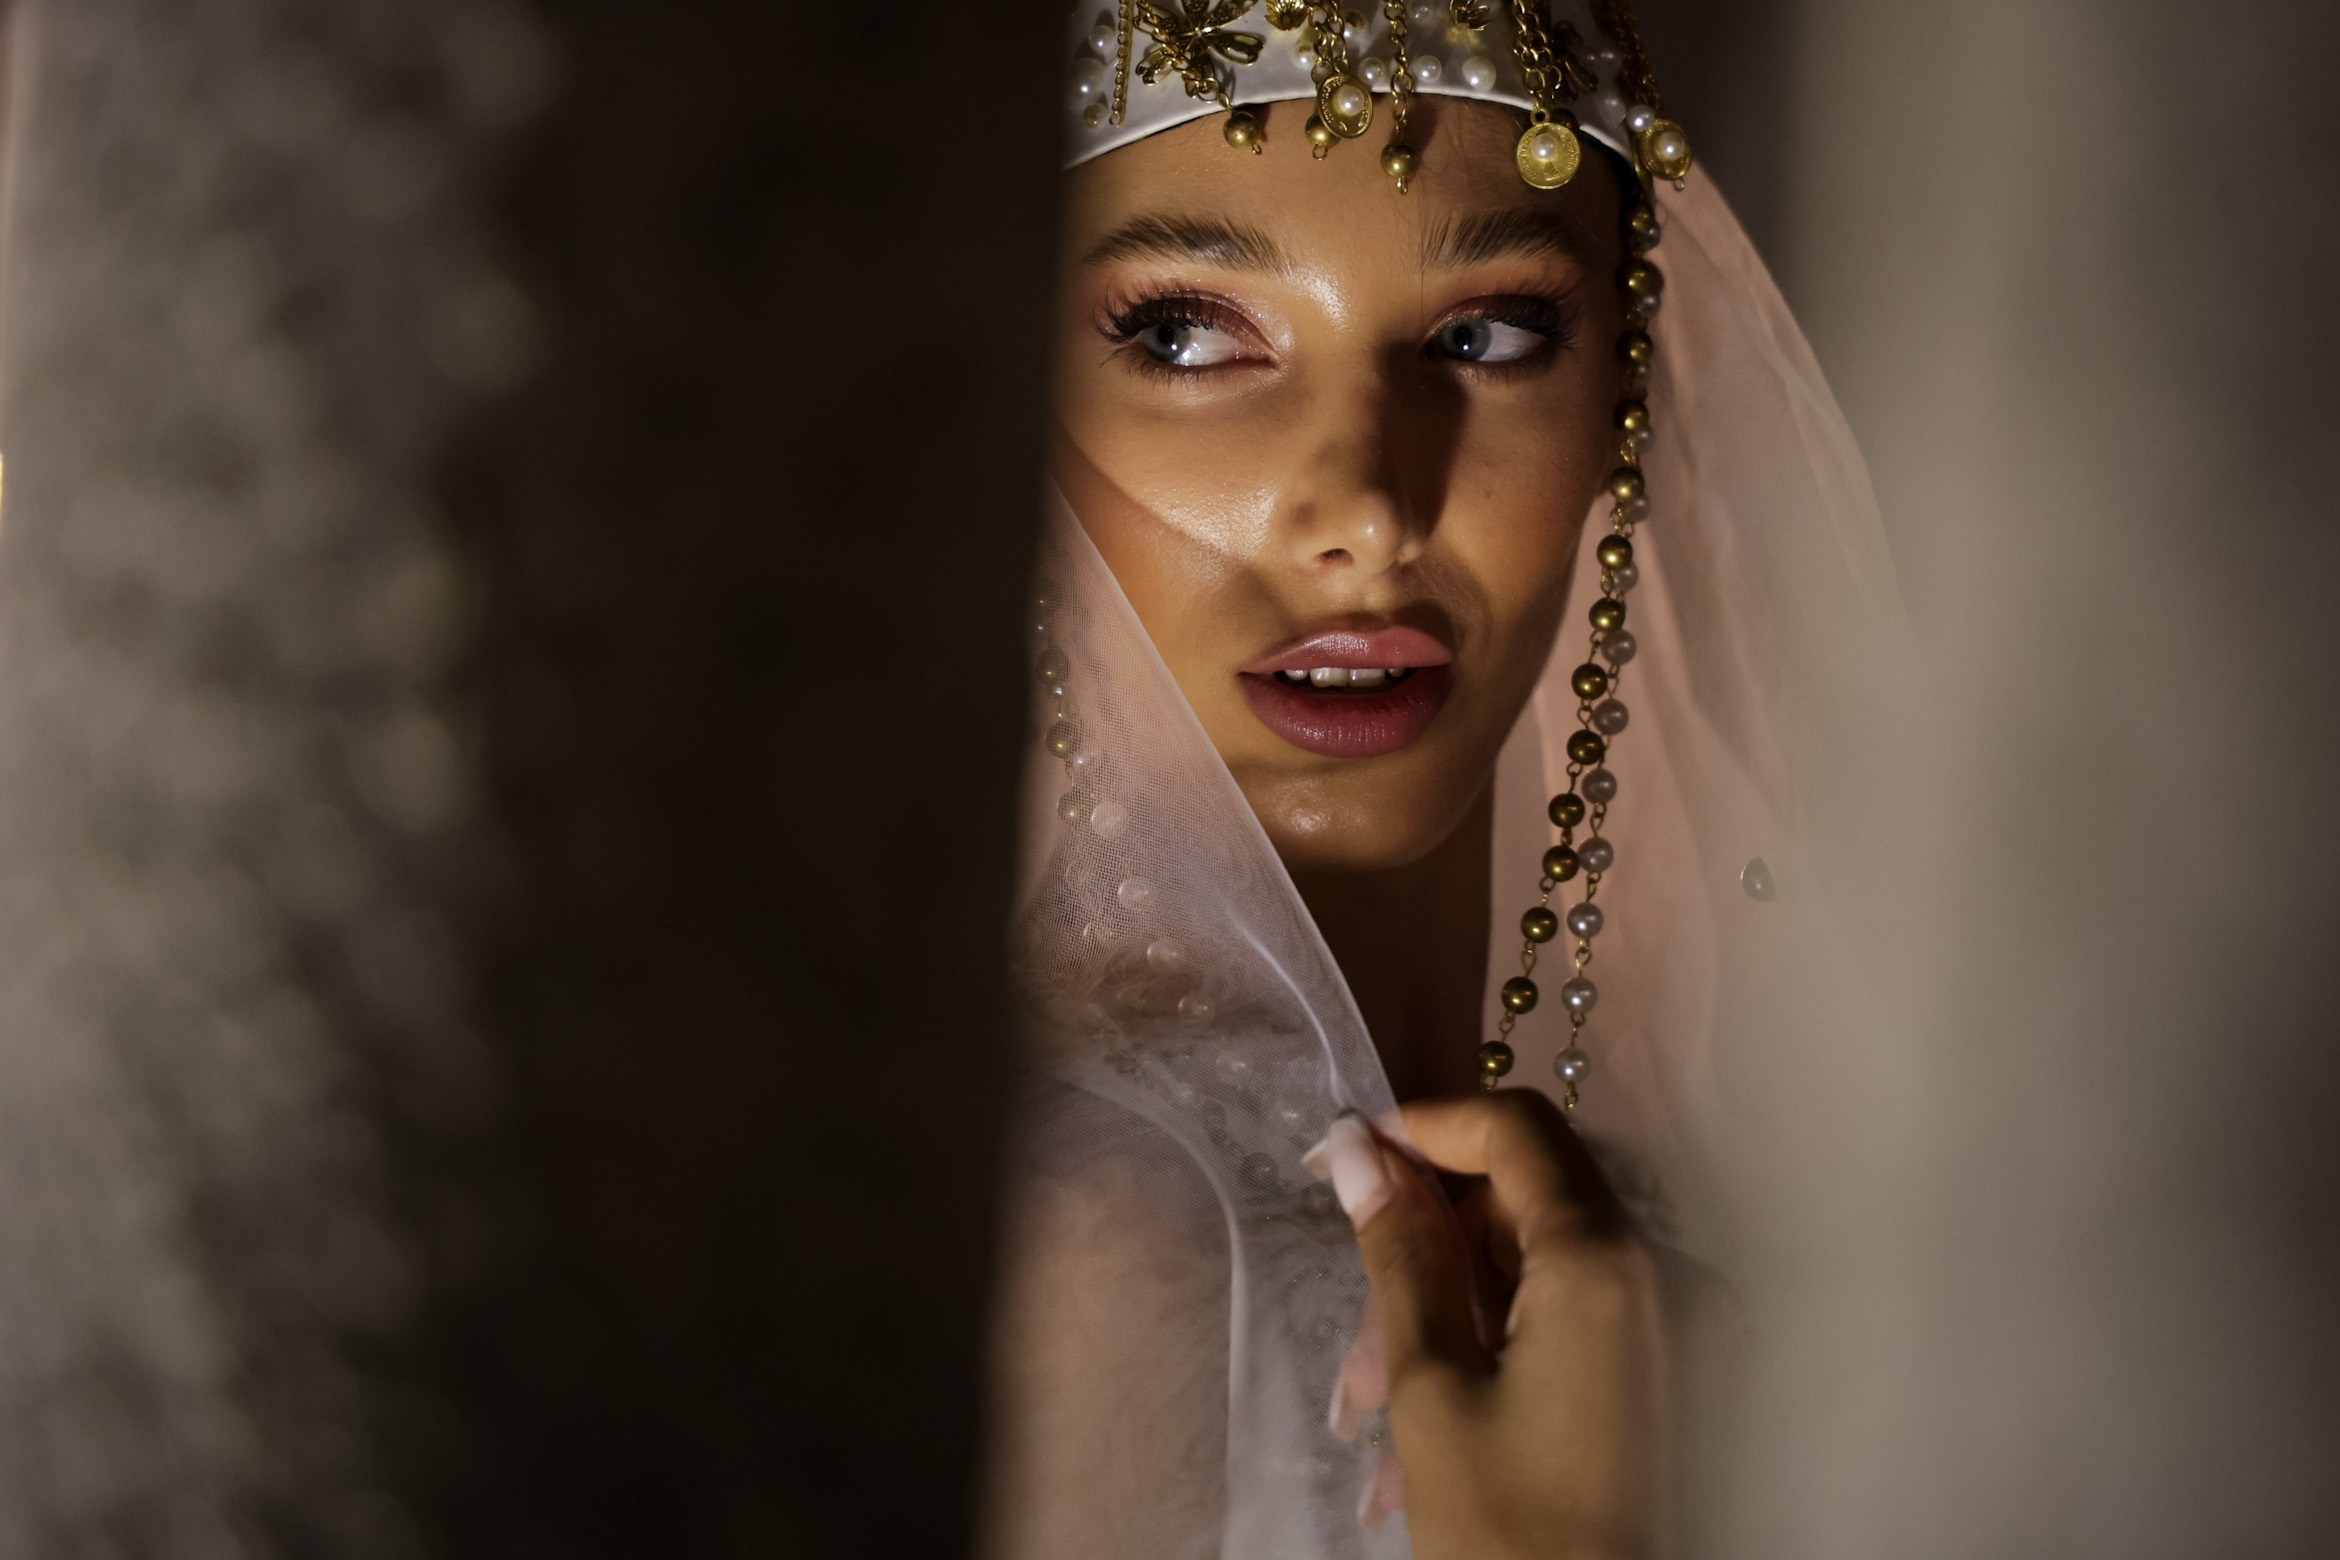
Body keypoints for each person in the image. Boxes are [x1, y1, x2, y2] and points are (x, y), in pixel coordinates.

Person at [985, 4, 1910, 1556]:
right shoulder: (1080, 1252)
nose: (1367, 509)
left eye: (1487, 335)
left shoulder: (1781, 1176)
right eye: (1187, 334)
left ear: (1630, 403)